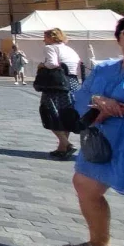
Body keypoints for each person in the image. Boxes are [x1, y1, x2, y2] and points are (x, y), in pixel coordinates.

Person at [62, 15, 124, 246]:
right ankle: (99, 243)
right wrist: (98, 99)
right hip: (104, 140)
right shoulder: (105, 68)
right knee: (85, 185)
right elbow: (82, 95)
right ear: (119, 39)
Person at [40, 28, 82, 160]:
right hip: (72, 82)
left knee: (49, 112)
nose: (43, 40)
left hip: (57, 83)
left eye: (45, 37)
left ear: (52, 38)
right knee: (66, 114)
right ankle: (62, 148)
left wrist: (42, 65)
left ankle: (67, 144)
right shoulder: (70, 49)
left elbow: (52, 64)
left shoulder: (51, 48)